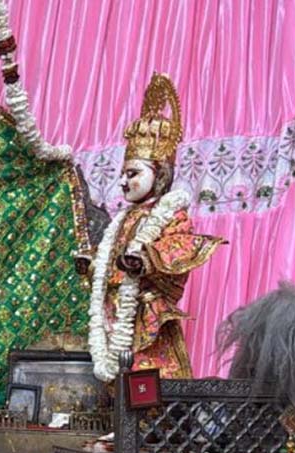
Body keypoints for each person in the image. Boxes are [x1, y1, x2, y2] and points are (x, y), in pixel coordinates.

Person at [76, 73, 223, 382]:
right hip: (114, 320)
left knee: (149, 388)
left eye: (133, 174)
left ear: (160, 175)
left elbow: (179, 247)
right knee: (114, 386)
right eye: (123, 174)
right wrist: (92, 265)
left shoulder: (170, 214)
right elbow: (111, 262)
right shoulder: (123, 219)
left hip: (146, 318)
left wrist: (144, 260)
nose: (123, 182)